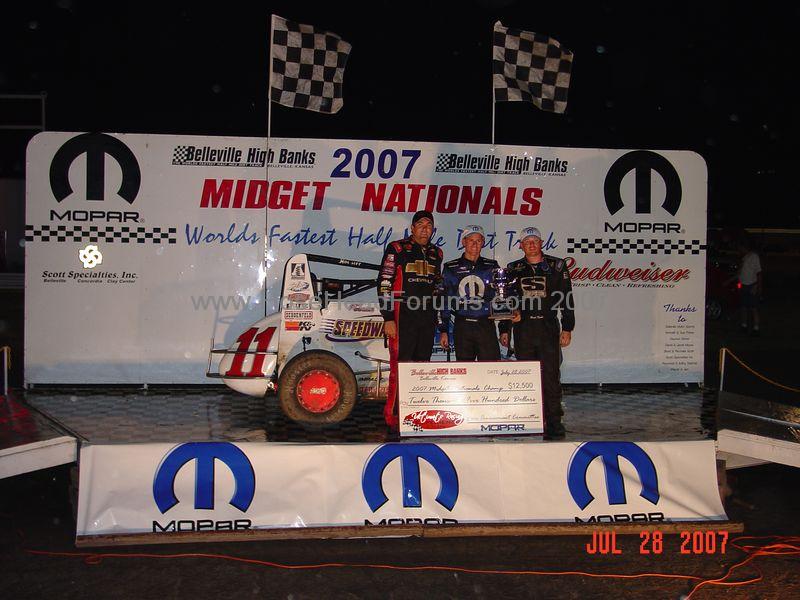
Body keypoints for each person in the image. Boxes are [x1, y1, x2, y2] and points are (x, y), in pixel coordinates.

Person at [499, 227, 574, 439]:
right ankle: (530, 418)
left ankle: (554, 422)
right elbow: (507, 302)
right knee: (527, 376)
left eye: (535, 240)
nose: (531, 244)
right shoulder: (514, 268)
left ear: (542, 243)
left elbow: (566, 298)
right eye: (527, 241)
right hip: (523, 330)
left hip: (548, 327)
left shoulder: (557, 266)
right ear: (520, 245)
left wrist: (567, 327)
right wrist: (505, 329)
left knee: (551, 376)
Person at [377, 210, 443, 428]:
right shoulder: (397, 248)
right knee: (400, 367)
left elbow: (437, 289)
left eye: (429, 225)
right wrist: (388, 318)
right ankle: (394, 417)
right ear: (412, 228)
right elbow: (385, 282)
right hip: (402, 316)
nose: (425, 229)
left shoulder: (437, 253)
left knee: (422, 368)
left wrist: (439, 321)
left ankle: (416, 414)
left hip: (426, 318)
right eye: (421, 225)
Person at [438, 225, 501, 361]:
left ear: (483, 243)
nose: (474, 244)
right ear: (463, 242)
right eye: (471, 240)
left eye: (478, 240)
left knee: (491, 370)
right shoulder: (450, 267)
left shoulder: (492, 266)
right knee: (465, 371)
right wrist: (444, 330)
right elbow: (444, 300)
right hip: (462, 326)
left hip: (486, 324)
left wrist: (505, 328)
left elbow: (501, 297)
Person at [737, 237, 762, 335]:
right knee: (743, 307)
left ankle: (756, 328)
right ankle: (744, 325)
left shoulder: (754, 256)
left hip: (751, 285)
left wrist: (757, 286)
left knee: (753, 308)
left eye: (740, 248)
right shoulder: (744, 257)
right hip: (743, 285)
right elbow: (740, 273)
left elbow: (759, 273)